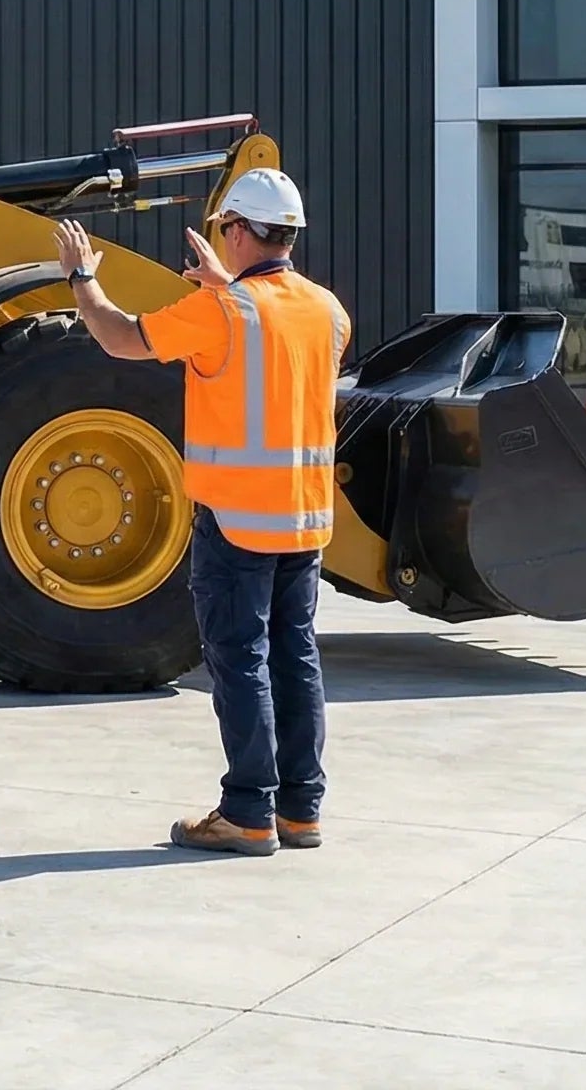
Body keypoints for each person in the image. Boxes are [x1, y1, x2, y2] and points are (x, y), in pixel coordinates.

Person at [50, 167, 351, 858]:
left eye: (224, 228)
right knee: (294, 654)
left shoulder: (222, 314)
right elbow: (267, 342)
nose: (221, 236)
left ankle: (247, 811)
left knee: (240, 658)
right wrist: (226, 283)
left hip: (237, 517)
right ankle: (301, 811)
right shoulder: (328, 311)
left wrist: (81, 278)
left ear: (241, 231)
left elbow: (121, 337)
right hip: (303, 519)